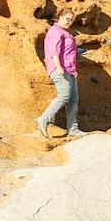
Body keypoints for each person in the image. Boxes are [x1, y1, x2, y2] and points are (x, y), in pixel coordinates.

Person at [34, 9, 87, 139]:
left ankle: (73, 129)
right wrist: (58, 66)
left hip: (69, 70)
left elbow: (69, 53)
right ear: (59, 17)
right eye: (67, 19)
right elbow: (53, 50)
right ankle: (43, 119)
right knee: (64, 95)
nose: (69, 23)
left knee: (73, 99)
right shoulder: (55, 31)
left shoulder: (66, 33)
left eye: (72, 21)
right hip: (59, 69)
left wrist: (73, 70)